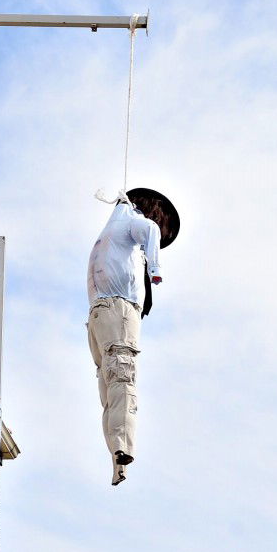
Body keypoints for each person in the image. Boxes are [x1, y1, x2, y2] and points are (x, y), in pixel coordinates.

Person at [86, 188, 179, 485]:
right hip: (119, 311)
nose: (160, 237)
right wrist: (155, 269)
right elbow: (150, 230)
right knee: (123, 381)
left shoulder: (112, 227)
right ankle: (123, 447)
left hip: (98, 315)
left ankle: (117, 453)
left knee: (109, 386)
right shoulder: (134, 223)